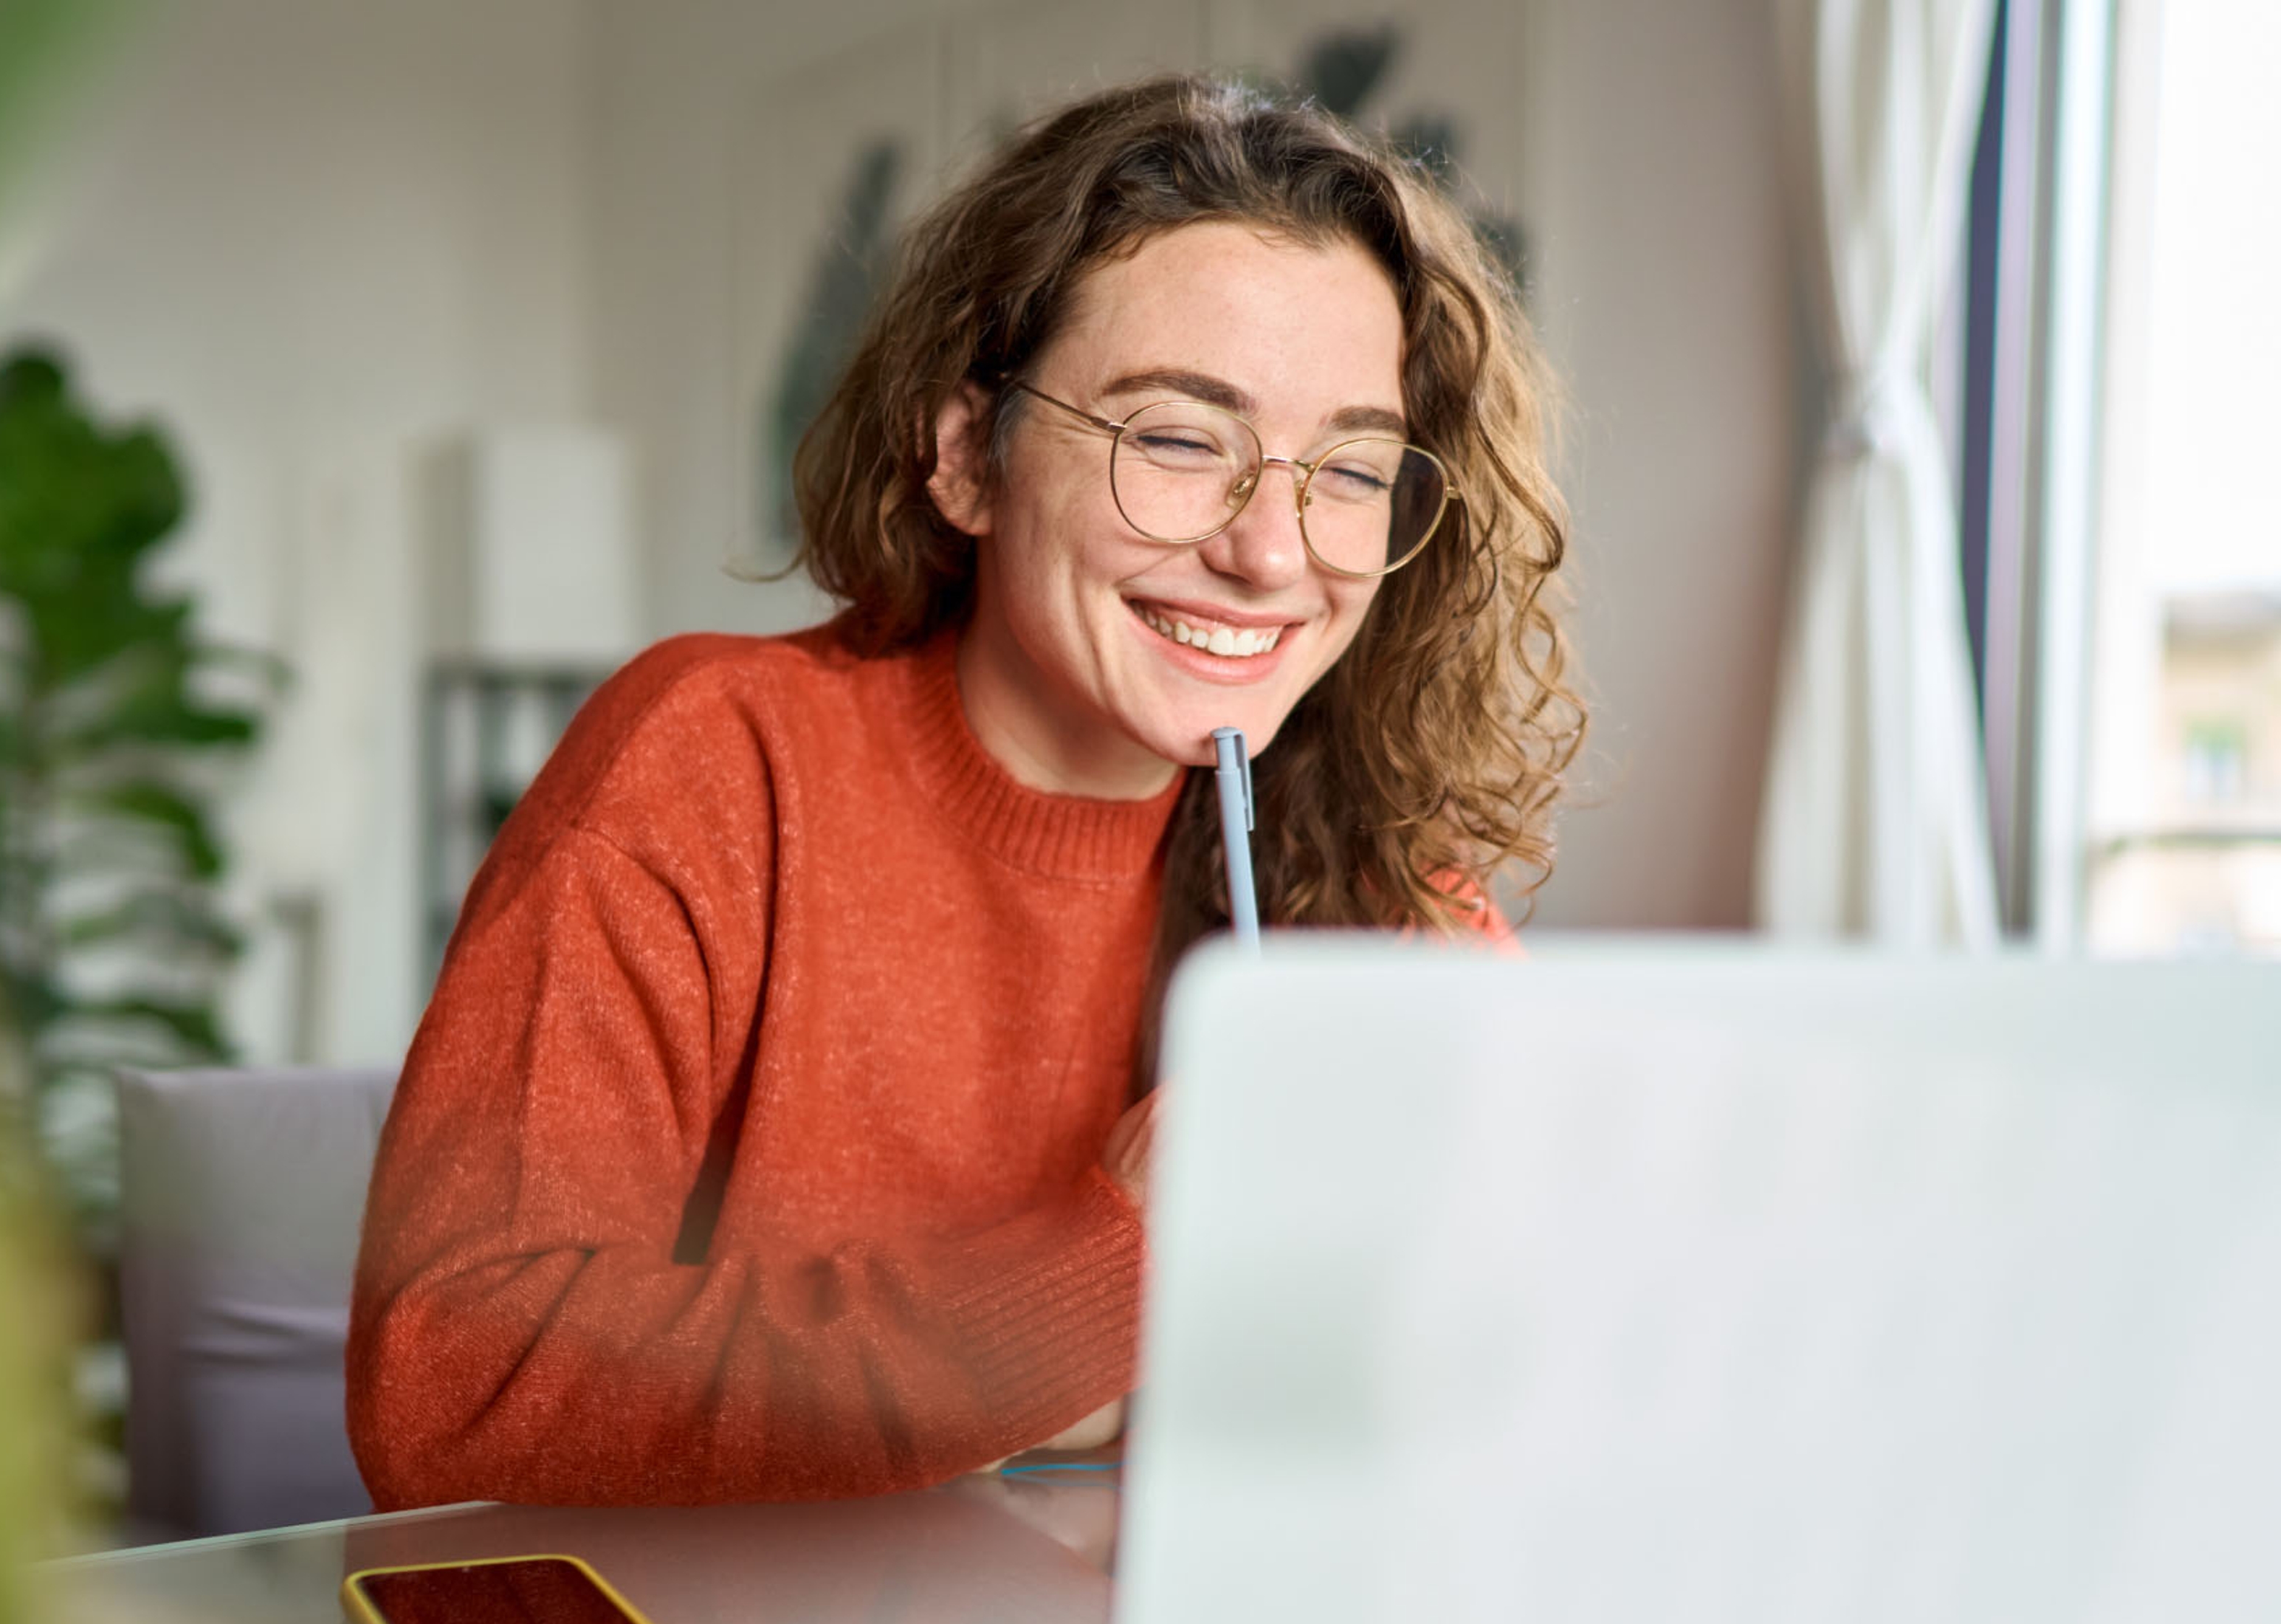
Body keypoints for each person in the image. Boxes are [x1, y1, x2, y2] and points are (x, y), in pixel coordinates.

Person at [347, 74, 1580, 1508]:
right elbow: (449, 1385)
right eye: (1179, 439)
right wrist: (1110, 1268)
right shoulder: (711, 765)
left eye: (1350, 470)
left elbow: (1521, 1368)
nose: (1271, 552)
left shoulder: (1373, 871)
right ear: (964, 459)